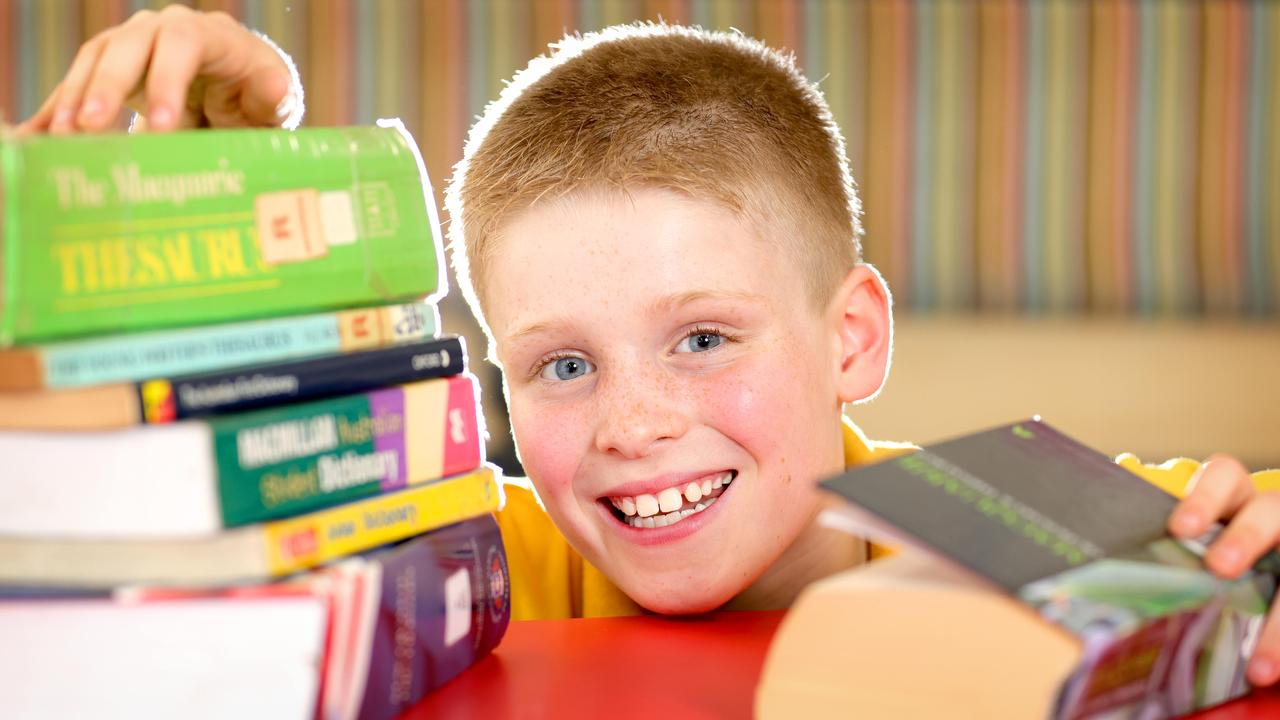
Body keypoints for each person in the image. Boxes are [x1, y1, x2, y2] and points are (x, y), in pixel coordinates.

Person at [22, 3, 1280, 687]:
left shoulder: (1075, 538)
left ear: (849, 338)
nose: (632, 424)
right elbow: (143, 504)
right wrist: (217, 214)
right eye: (561, 366)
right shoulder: (475, 556)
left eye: (700, 337)